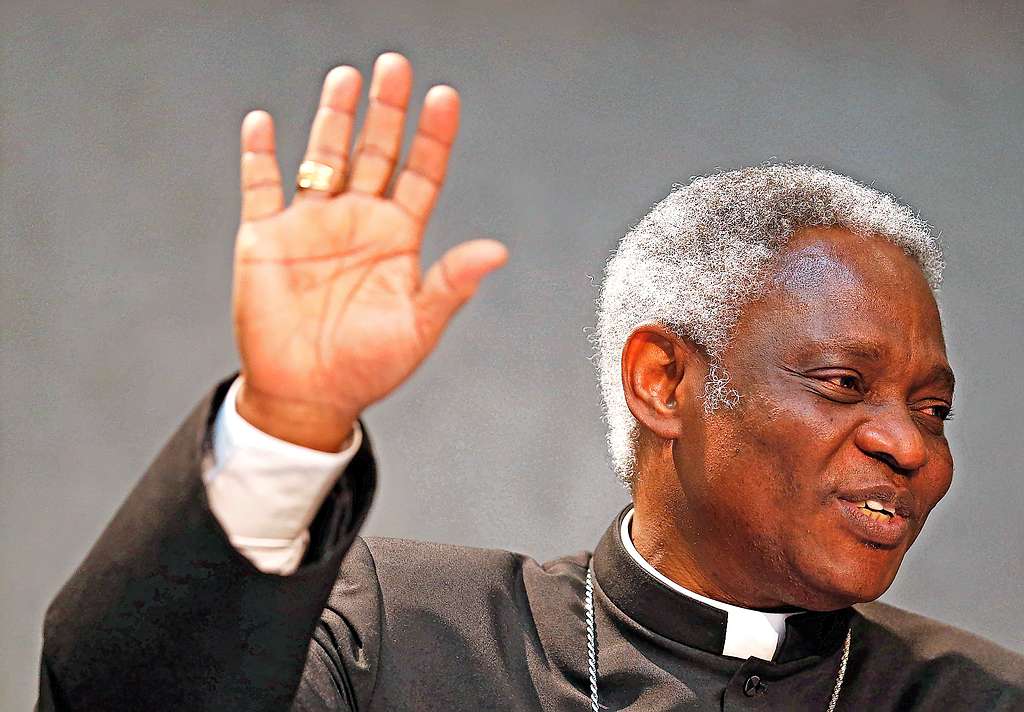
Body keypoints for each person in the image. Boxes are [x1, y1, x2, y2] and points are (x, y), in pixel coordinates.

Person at [37, 52, 1023, 711]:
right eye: (845, 382)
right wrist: (286, 422)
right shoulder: (399, 634)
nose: (909, 445)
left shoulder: (980, 694)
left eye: (931, 408)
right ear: (663, 380)